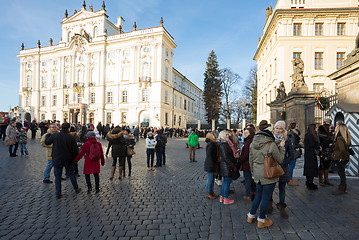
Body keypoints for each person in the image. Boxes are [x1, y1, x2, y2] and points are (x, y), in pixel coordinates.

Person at [247, 120, 285, 228]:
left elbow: (251, 160)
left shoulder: (253, 143)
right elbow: (280, 160)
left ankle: (251, 215)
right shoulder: (271, 145)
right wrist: (282, 147)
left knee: (258, 195)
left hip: (257, 173)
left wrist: (253, 173)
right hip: (268, 174)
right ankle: (261, 220)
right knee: (265, 197)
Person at [45, 122, 81, 199]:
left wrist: (48, 134)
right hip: (68, 159)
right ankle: (76, 188)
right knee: (71, 174)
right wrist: (75, 158)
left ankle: (58, 193)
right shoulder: (70, 137)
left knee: (57, 177)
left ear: (61, 127)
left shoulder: (55, 135)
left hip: (57, 159)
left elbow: (47, 142)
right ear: (68, 128)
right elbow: (75, 150)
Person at [269, 120, 294, 219]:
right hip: (272, 166)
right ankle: (269, 204)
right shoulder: (270, 139)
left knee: (282, 187)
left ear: (283, 129)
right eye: (277, 128)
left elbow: (291, 154)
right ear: (274, 128)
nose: (278, 130)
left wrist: (285, 162)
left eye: (280, 128)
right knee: (270, 186)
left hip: (283, 167)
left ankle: (281, 205)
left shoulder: (287, 139)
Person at [332, 123, 351, 195]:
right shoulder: (346, 137)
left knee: (341, 173)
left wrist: (342, 158)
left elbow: (342, 150)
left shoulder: (339, 138)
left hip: (340, 157)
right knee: (342, 173)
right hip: (345, 157)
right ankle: (343, 187)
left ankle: (342, 188)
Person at [218, 130, 236, 204]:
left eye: (228, 134)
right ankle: (225, 198)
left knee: (225, 181)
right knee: (227, 182)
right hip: (226, 166)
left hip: (224, 165)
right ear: (222, 136)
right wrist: (232, 165)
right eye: (226, 134)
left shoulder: (223, 144)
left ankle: (222, 197)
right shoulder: (224, 145)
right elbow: (226, 157)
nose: (228, 136)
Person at [239, 127, 256, 201]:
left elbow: (246, 155)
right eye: (244, 133)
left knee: (248, 180)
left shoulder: (248, 142)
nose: (244, 134)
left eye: (246, 133)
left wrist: (239, 160)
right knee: (250, 180)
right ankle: (252, 192)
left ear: (250, 134)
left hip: (247, 164)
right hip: (249, 163)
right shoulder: (250, 141)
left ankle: (248, 194)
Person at [304, 124, 320, 190]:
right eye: (315, 127)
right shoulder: (311, 135)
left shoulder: (308, 135)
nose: (317, 128)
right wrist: (318, 147)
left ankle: (309, 181)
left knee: (309, 168)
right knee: (311, 168)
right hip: (311, 154)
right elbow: (312, 144)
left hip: (308, 154)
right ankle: (310, 182)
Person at [204, 132, 219, 199]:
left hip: (211, 163)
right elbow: (210, 156)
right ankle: (208, 192)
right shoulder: (211, 144)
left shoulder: (212, 144)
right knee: (210, 179)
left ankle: (211, 191)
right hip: (210, 164)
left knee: (212, 179)